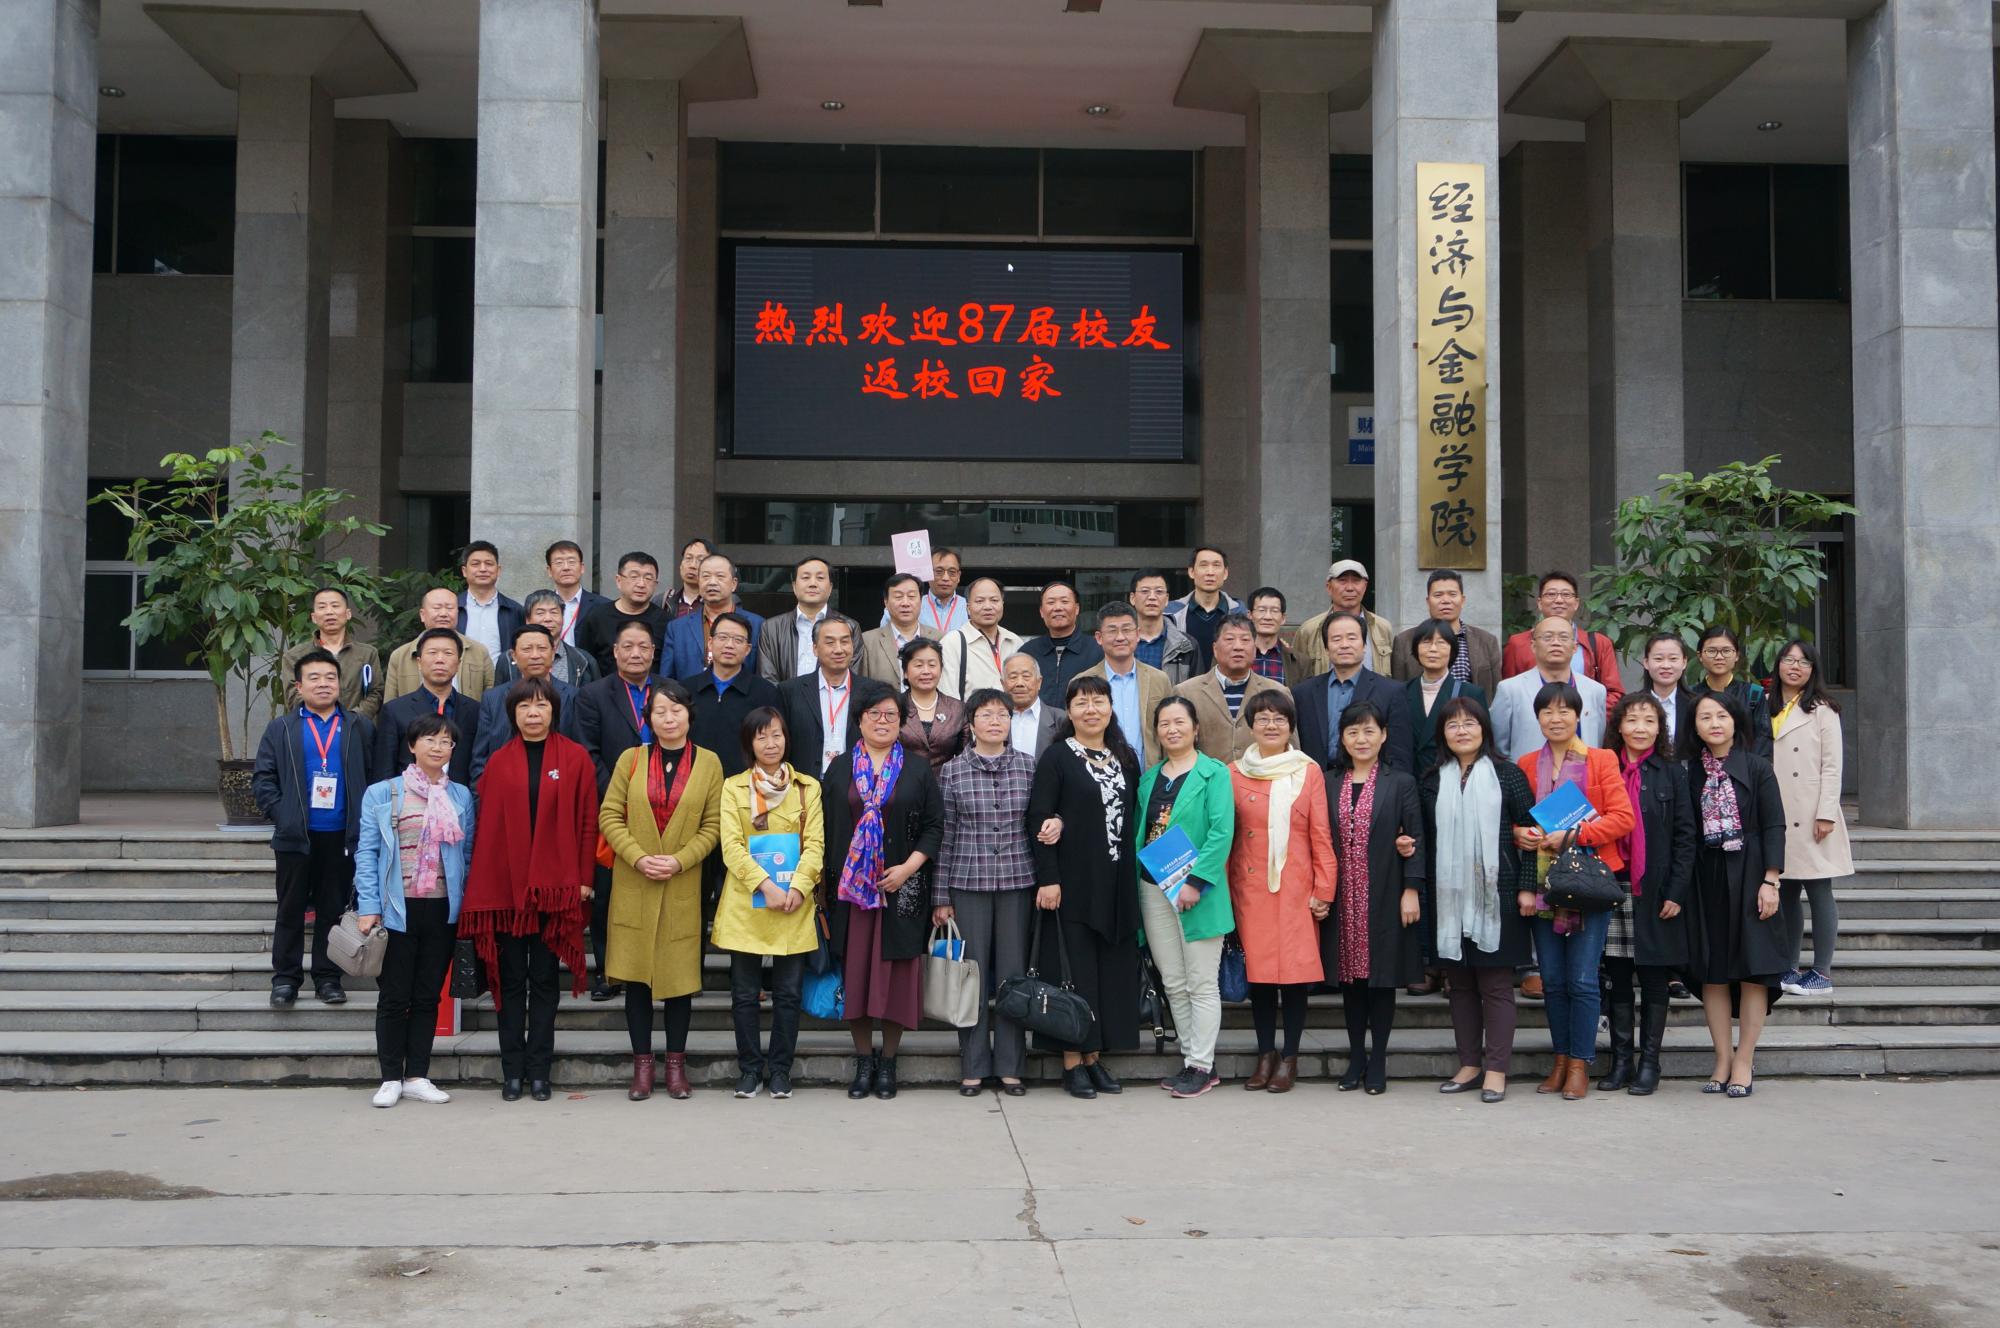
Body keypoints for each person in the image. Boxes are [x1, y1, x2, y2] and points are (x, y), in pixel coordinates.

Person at [461, 678, 598, 1102]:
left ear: (554, 710)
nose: (533, 713)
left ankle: (540, 1071)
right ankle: (512, 1072)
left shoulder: (575, 758)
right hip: (507, 889)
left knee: (543, 980)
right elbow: (488, 831)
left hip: (555, 888)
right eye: (524, 706)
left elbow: (587, 821)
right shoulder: (499, 762)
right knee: (509, 981)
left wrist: (584, 879)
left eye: (541, 705)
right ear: (512, 714)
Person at [600, 680, 724, 1101]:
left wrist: (680, 860)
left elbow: (714, 825)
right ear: (648, 719)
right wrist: (637, 857)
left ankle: (675, 1067)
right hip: (635, 881)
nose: (669, 719)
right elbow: (609, 815)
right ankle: (642, 1067)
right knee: (636, 979)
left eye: (676, 710)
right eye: (659, 712)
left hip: (681, 883)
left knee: (679, 981)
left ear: (689, 714)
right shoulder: (631, 759)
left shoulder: (709, 763)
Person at [1515, 681, 1636, 1101]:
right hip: (1543, 885)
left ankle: (1581, 1064)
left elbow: (1622, 818)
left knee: (1582, 979)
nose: (1556, 718)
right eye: (1547, 711)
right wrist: (1519, 834)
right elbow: (1516, 819)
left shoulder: (1601, 759)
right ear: (1537, 718)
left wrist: (1574, 834)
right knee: (1552, 980)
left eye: (1564, 710)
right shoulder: (1526, 764)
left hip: (1589, 884)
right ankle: (1561, 1059)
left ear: (1579, 715)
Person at [824, 690, 945, 1101]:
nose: (882, 720)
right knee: (856, 976)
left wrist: (908, 868)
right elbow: (825, 829)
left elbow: (934, 826)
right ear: (858, 720)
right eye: (873, 713)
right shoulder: (839, 769)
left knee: (896, 980)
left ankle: (889, 1062)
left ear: (901, 721)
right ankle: (863, 1062)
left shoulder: (917, 768)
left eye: (891, 714)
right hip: (852, 894)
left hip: (902, 890)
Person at [1027, 674, 1143, 1098]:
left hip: (1118, 883)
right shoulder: (1057, 757)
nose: (1091, 709)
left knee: (1109, 973)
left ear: (1111, 708)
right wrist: (1049, 878)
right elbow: (1039, 819)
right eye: (1081, 702)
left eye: (1099, 701)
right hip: (1073, 882)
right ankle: (1072, 1062)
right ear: (1069, 712)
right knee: (1073, 973)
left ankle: (1095, 1057)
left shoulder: (1125, 758)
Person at [353, 713, 473, 1108]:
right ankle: (390, 1077)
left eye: (446, 741)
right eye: (430, 739)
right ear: (412, 745)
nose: (438, 747)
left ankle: (417, 1075)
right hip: (396, 909)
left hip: (442, 909)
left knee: (427, 996)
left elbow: (466, 855)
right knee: (393, 995)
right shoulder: (383, 793)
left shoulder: (460, 796)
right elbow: (367, 853)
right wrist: (369, 905)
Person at [1418, 698, 1534, 1103]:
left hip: (1497, 896)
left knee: (1496, 985)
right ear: (1443, 734)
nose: (1462, 731)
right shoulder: (1432, 780)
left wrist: (1528, 886)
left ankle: (1496, 1070)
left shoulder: (1508, 774)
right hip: (1448, 899)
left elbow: (1532, 832)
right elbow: (1424, 837)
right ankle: (1469, 1065)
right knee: (1460, 985)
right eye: (1453, 725)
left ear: (1484, 729)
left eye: (1469, 723)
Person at [251, 648, 376, 1008]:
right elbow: (263, 779)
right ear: (299, 686)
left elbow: (374, 775)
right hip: (296, 837)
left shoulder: (359, 727)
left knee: (332, 909)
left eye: (330, 677)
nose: (323, 684)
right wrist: (284, 815)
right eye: (315, 678)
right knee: (290, 909)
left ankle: (327, 978)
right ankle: (285, 979)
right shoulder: (281, 728)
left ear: (340, 683)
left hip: (342, 835)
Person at [1681, 689, 1788, 1097]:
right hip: (1705, 878)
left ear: (1735, 721)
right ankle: (1722, 1058)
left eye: (1721, 716)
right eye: (1705, 717)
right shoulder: (1688, 771)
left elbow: (1774, 825)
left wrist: (1771, 880)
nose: (1714, 724)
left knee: (1753, 969)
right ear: (1695, 726)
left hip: (1751, 875)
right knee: (1713, 970)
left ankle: (1744, 1059)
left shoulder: (1757, 767)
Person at [713, 707, 824, 1099]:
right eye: (761, 736)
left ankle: (780, 1070)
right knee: (744, 994)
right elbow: (731, 846)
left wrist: (798, 887)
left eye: (776, 734)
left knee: (789, 994)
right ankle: (749, 1069)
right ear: (750, 743)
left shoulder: (807, 788)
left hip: (794, 901)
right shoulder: (733, 788)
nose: (771, 743)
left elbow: (815, 845)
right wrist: (766, 887)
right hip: (747, 902)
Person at [932, 688, 1038, 1096]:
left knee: (1013, 977)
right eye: (986, 714)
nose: (995, 721)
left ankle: (1011, 1066)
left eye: (1002, 715)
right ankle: (973, 1066)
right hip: (967, 883)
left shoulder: (1028, 766)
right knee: (970, 978)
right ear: (971, 724)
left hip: (1017, 882)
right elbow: (945, 837)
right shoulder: (953, 771)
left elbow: (1037, 822)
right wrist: (940, 897)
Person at [1227, 689, 1334, 1093]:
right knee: (1259, 979)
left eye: (1279, 719)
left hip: (1295, 889)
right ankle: (1265, 1055)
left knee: (1293, 977)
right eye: (1263, 718)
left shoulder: (1308, 772)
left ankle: (1289, 1057)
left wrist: (1324, 888)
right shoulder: (1233, 773)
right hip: (1250, 888)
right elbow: (1226, 837)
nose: (1271, 725)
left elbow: (1320, 834)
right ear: (1250, 726)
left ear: (1291, 727)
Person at [1135, 695, 1237, 1098]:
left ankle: (1202, 1065)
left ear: (1196, 728)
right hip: (1152, 887)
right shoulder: (1149, 779)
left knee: (1201, 981)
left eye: (1180, 722)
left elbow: (1221, 832)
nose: (1172, 729)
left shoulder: (1214, 774)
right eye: (1164, 723)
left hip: (1197, 889)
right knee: (1174, 981)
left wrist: (1196, 881)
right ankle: (1192, 1059)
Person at [1598, 690, 1698, 1096]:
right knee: (1617, 977)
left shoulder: (1672, 773)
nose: (1640, 728)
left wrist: (1676, 890)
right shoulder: (1604, 767)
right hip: (1611, 885)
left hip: (1656, 890)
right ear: (1619, 726)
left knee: (1655, 977)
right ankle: (1621, 1061)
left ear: (1660, 729)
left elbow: (1686, 837)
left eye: (1649, 720)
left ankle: (1650, 1063)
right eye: (1632, 720)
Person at [1323, 701, 1425, 1094]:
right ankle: (1356, 1058)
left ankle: (1378, 1059)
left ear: (1383, 735)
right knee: (1351, 981)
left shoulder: (1400, 782)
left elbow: (1415, 838)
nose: (1361, 739)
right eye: (1352, 732)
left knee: (1381, 980)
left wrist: (1411, 889)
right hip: (1342, 897)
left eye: (1369, 731)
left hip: (1384, 892)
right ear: (1342, 738)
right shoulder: (1329, 782)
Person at [573, 618, 667, 1001]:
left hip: (665, 809)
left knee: (656, 892)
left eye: (643, 646)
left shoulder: (669, 692)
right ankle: (609, 972)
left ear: (654, 652)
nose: (635, 653)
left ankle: (656, 970)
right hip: (613, 811)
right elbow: (587, 752)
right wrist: (622, 796)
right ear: (614, 652)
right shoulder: (593, 695)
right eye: (627, 646)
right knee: (609, 895)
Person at [1769, 639, 1850, 998]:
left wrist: (1827, 813)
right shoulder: (1767, 705)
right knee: (1786, 890)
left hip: (1812, 812)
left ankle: (1821, 971)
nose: (1795, 667)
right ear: (1778, 665)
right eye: (1789, 660)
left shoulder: (1822, 709)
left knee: (1819, 891)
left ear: (1813, 670)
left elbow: (1832, 766)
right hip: (1777, 811)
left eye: (1803, 662)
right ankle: (1789, 966)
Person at [1292, 612, 1413, 772]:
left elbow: (1400, 753)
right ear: (1326, 648)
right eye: (1336, 639)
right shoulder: (1303, 693)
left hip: (1371, 781)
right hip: (1316, 780)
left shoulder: (1391, 691)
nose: (1344, 645)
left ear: (1364, 646)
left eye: (1352, 638)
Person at [777, 617, 889, 778]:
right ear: (815, 649)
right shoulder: (790, 691)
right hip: (805, 784)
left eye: (845, 642)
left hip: (857, 784)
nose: (839, 649)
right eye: (830, 643)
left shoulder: (873, 691)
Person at [469, 624, 578, 783]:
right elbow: (480, 759)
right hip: (504, 787)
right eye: (527, 649)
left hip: (559, 786)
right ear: (513, 655)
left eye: (542, 648)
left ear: (553, 652)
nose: (535, 655)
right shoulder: (493, 698)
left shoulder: (574, 696)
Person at [377, 627, 483, 786]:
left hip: (459, 797)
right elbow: (384, 770)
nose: (440, 659)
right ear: (419, 662)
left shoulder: (476, 710)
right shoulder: (395, 710)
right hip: (408, 797)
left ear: (459, 663)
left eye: (448, 653)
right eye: (432, 653)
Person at [1489, 617, 1608, 759]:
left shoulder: (1596, 690)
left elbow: (1598, 739)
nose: (1556, 642)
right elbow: (1499, 747)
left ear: (1574, 647)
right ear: (1533, 646)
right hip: (1528, 771)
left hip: (1584, 771)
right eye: (1547, 637)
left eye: (1563, 637)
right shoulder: (1510, 689)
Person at [1499, 571, 1625, 703]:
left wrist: (1586, 712)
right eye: (1551, 594)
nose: (1559, 600)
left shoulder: (1599, 643)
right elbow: (1509, 694)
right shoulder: (1517, 643)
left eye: (1566, 594)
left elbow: (1614, 693)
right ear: (1540, 603)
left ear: (1576, 603)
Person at [1174, 614, 1284, 762]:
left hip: (1262, 775)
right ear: (1215, 649)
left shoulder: (1277, 692)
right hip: (1205, 776)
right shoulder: (1186, 692)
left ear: (1255, 648)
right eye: (1229, 639)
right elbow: (1174, 750)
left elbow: (1291, 749)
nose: (1238, 647)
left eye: (1245, 640)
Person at [683, 611, 779, 780]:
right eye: (723, 637)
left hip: (745, 786)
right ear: (710, 643)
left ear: (747, 649)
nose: (729, 645)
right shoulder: (686, 690)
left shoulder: (766, 693)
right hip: (693, 783)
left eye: (738, 640)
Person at [1085, 600, 1172, 766]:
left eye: (1126, 630)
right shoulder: (1083, 682)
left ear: (1138, 634)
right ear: (1099, 638)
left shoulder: (1159, 680)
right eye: (1112, 631)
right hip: (1100, 775)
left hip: (1150, 774)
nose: (1120, 637)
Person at [1390, 570, 1502, 696]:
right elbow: (1397, 691)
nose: (1446, 600)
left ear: (1462, 600)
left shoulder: (1487, 641)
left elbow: (1496, 691)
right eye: (1438, 595)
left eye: (1452, 594)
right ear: (1428, 601)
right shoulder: (1404, 641)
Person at [282, 585, 383, 719]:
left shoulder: (367, 653)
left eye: (335, 606)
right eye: (322, 607)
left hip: (356, 725)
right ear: (314, 617)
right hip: (311, 726)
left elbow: (376, 693)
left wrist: (350, 719)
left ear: (348, 614)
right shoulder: (294, 656)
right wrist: (325, 719)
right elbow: (293, 696)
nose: (329, 612)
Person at [1403, 618, 1488, 772]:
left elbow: (1484, 744)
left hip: (1452, 776)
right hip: (1409, 778)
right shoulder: (1402, 692)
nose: (1433, 649)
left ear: (1452, 650)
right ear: (1416, 649)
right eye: (1426, 642)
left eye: (1441, 643)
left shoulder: (1471, 693)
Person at [665, 552, 767, 680]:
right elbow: (666, 680)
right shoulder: (677, 628)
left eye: (720, 576)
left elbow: (762, 676)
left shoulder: (758, 625)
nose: (712, 582)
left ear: (734, 584)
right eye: (706, 576)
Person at [760, 556, 858, 685]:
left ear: (830, 588)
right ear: (794, 586)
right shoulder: (771, 628)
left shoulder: (850, 626)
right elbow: (767, 680)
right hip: (783, 698)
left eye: (820, 578)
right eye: (806, 578)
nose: (813, 584)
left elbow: (853, 676)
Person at [384, 586, 495, 702]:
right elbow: (390, 703)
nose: (443, 613)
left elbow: (491, 700)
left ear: (458, 613)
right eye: (437, 608)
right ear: (422, 615)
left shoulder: (479, 652)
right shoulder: (400, 656)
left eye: (449, 608)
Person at [1294, 559, 1395, 678]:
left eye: (1356, 581)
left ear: (1365, 586)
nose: (1350, 588)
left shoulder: (1382, 627)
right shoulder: (1308, 630)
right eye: (1342, 581)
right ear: (1329, 587)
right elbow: (1297, 674)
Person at [577, 552, 670, 680]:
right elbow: (584, 662)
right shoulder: (597, 617)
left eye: (648, 578)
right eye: (634, 577)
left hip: (652, 691)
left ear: (655, 584)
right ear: (619, 580)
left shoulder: (666, 622)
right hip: (605, 691)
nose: (641, 584)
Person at [1018, 579, 1105, 706]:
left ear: (1077, 608)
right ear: (1041, 611)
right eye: (1051, 602)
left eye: (1064, 601)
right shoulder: (1027, 652)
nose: (1058, 608)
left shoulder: (1097, 650)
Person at [1692, 625, 1773, 760]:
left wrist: (1752, 770)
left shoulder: (1753, 694)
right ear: (1700, 656)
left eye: (1726, 651)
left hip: (1745, 770)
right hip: (1699, 769)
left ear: (1737, 655)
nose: (1719, 657)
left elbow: (1763, 741)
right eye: (1711, 651)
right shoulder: (1690, 695)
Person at [495, 590, 600, 690]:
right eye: (540, 613)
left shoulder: (583, 660)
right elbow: (498, 698)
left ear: (563, 619)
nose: (548, 619)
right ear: (527, 620)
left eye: (554, 612)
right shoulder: (508, 659)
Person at [939, 577, 1024, 699]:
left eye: (994, 600)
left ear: (1002, 604)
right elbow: (948, 697)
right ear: (968, 608)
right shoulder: (952, 643)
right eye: (979, 601)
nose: (987, 606)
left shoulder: (1015, 642)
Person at [1163, 546, 1241, 673]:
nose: (1210, 572)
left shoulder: (1239, 612)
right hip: (1184, 683)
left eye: (1216, 565)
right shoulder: (1170, 613)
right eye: (1203, 565)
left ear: (1225, 573)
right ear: (1191, 572)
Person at [859, 572, 940, 686]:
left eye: (911, 596)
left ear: (921, 601)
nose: (905, 603)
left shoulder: (939, 638)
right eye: (898, 597)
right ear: (886, 602)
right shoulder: (868, 641)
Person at [897, 638, 965, 769]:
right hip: (901, 780)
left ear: (941, 669)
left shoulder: (958, 709)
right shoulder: (894, 706)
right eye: (918, 665)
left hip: (946, 780)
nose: (926, 671)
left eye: (932, 665)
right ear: (905, 672)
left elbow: (965, 756)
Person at [454, 540, 522, 662]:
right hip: (460, 674)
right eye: (476, 564)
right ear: (464, 571)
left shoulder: (515, 610)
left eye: (489, 564)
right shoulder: (453, 608)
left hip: (501, 675)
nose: (483, 569)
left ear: (498, 570)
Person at [1129, 569, 1198, 684]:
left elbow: (1197, 689)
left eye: (1159, 591)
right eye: (1145, 591)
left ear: (1166, 599)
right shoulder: (1119, 641)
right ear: (1132, 598)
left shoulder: (1187, 645)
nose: (1152, 597)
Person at [882, 547, 968, 637]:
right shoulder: (910, 605)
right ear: (928, 572)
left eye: (952, 572)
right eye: (939, 571)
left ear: (958, 576)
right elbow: (884, 637)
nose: (945, 578)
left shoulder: (969, 607)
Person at [1638, 632, 1699, 752]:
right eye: (1658, 659)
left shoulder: (1697, 705)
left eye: (1673, 659)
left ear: (1684, 662)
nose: (1666, 665)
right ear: (1646, 663)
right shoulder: (1631, 705)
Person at [543, 539, 609, 648]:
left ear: (582, 568)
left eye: (571, 562)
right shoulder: (539, 607)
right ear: (549, 570)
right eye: (559, 563)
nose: (566, 567)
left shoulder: (603, 606)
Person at [1002, 652, 1062, 760]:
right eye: (1013, 677)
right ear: (1003, 684)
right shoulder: (994, 720)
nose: (1020, 683)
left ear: (1039, 682)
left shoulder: (1060, 719)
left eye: (1026, 676)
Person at [1245, 586, 1304, 684]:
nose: (1268, 617)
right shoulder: (1235, 654)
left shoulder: (1299, 661)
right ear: (1250, 615)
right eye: (1261, 610)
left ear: (1283, 618)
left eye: (1274, 611)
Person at [661, 536, 712, 621]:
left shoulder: (720, 601)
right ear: (681, 565)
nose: (692, 565)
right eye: (688, 558)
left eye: (700, 560)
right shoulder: (664, 601)